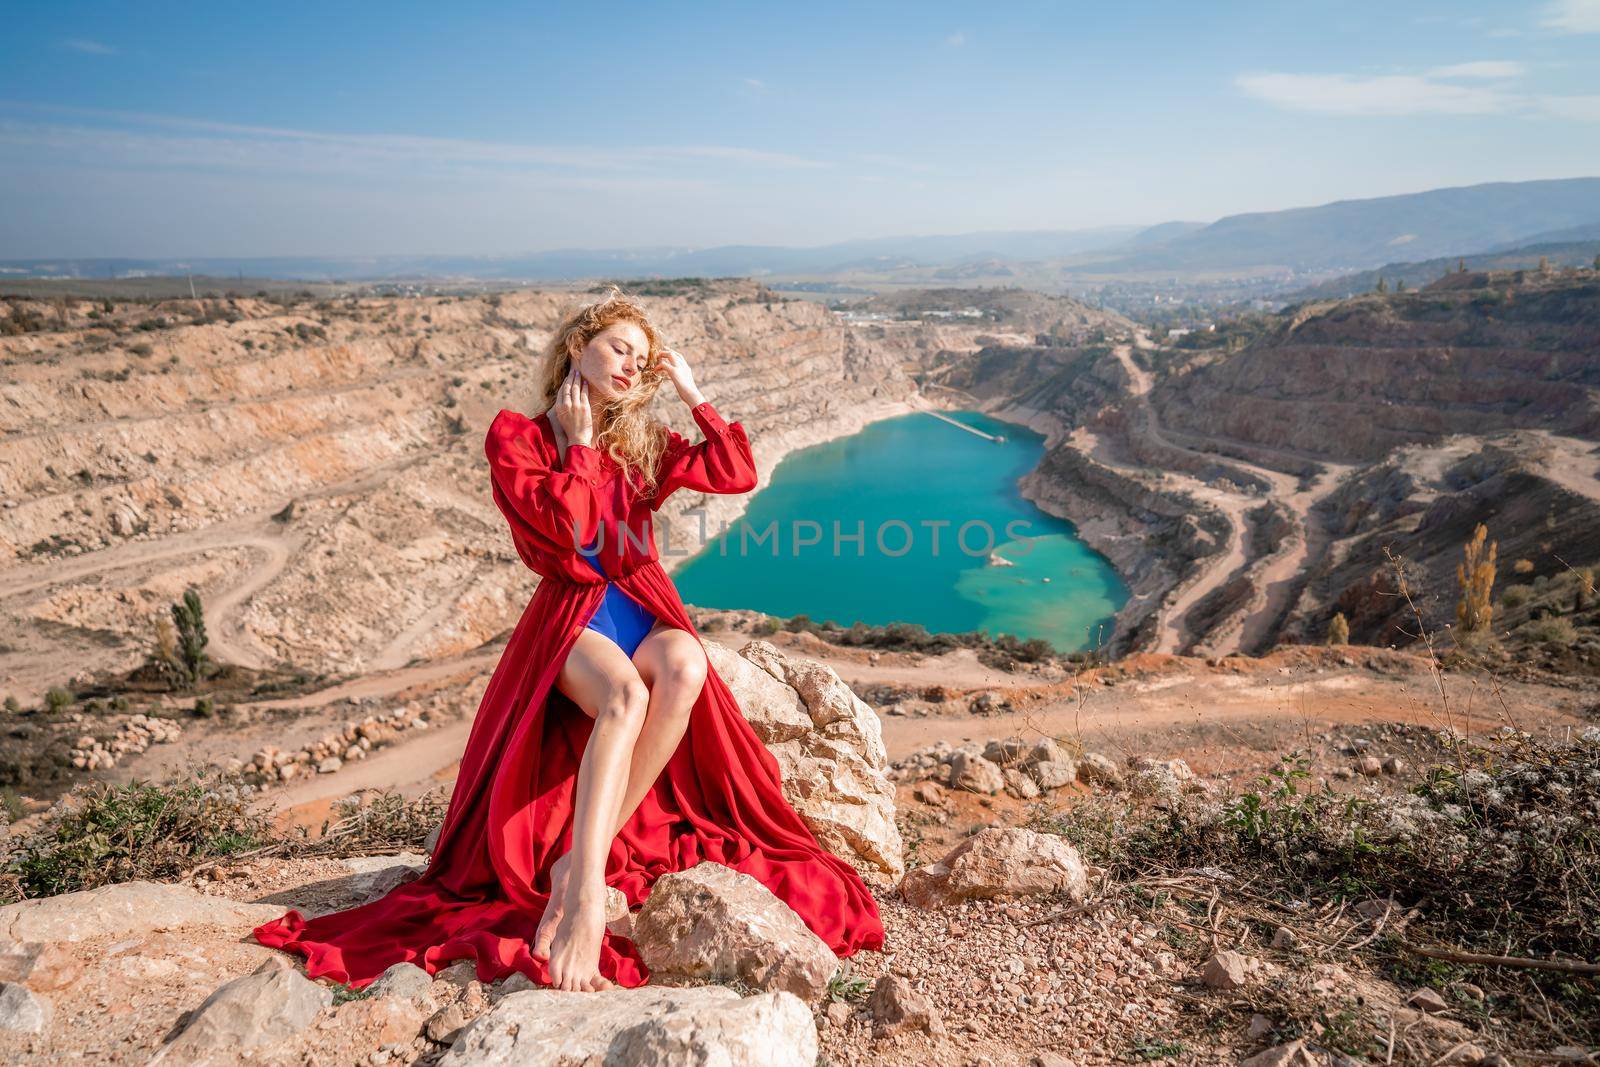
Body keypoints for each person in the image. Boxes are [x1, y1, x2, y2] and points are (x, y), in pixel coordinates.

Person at [252, 286, 886, 992]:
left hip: (638, 597)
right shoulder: (515, 437)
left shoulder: (640, 441)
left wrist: (690, 390)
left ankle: (584, 852)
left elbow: (736, 472)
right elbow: (570, 531)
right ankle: (584, 891)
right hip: (572, 612)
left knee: (683, 664)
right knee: (621, 695)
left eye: (642, 359)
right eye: (620, 348)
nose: (630, 366)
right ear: (577, 345)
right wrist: (581, 449)